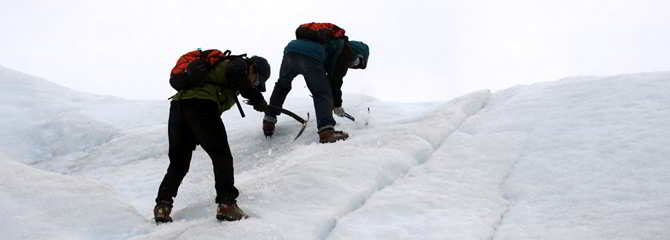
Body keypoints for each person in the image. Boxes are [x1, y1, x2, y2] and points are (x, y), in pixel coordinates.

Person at [153, 53, 271, 223]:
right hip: (201, 106)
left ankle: (162, 206)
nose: (255, 84)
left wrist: (254, 97)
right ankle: (227, 205)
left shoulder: (217, 74)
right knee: (221, 155)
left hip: (179, 108)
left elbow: (238, 83)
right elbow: (238, 76)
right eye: (257, 81)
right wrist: (257, 98)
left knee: (179, 163)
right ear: (253, 68)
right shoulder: (238, 64)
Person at [262, 23, 369, 143]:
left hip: (291, 50)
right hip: (311, 55)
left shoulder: (331, 43)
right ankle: (327, 132)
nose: (353, 65)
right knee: (322, 92)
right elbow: (335, 81)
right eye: (357, 63)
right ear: (359, 54)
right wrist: (337, 104)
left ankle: (269, 120)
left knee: (282, 85)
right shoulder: (346, 51)